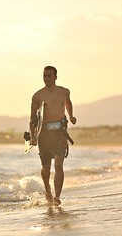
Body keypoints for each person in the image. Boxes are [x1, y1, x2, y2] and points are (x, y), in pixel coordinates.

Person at [29, 65, 77, 206]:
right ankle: (47, 190)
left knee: (59, 163)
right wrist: (32, 136)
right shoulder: (37, 96)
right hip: (44, 133)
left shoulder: (64, 92)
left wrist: (71, 115)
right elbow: (32, 118)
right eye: (45, 76)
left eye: (50, 75)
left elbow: (68, 102)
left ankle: (57, 196)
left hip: (59, 132)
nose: (47, 78)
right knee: (46, 167)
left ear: (56, 76)